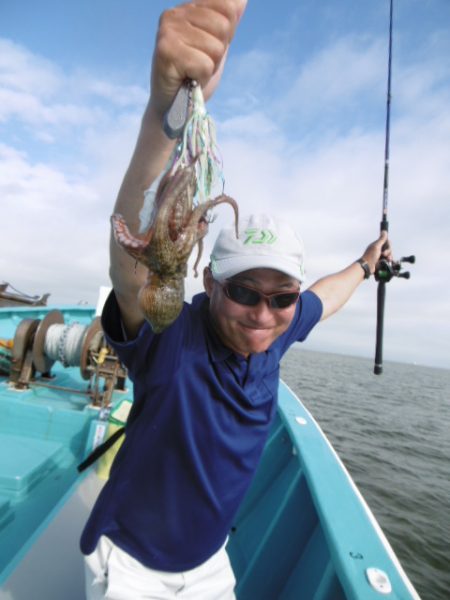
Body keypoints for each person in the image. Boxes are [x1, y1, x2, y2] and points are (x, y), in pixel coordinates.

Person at [80, 1, 393, 598]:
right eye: (246, 291)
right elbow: (130, 260)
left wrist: (364, 263)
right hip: (131, 566)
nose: (263, 313)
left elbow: (326, 296)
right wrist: (164, 118)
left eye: (281, 298)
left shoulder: (277, 330)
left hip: (210, 564)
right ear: (209, 284)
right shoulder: (173, 335)